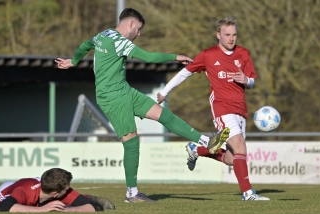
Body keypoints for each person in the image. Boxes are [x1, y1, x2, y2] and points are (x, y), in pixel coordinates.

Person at [55, 8, 230, 203]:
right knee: (131, 143)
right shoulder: (120, 41)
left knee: (165, 116)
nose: (138, 34)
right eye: (138, 30)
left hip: (125, 91)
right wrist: (175, 57)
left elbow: (85, 45)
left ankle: (207, 142)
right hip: (112, 98)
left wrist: (74, 61)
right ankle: (131, 193)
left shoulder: (103, 34)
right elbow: (148, 57)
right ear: (130, 24)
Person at [157, 16, 269, 201]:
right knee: (240, 145)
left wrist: (246, 81)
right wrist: (164, 92)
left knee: (233, 158)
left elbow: (252, 82)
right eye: (227, 35)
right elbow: (185, 73)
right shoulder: (208, 55)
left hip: (241, 109)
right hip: (222, 109)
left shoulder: (244, 53)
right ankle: (248, 193)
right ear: (218, 35)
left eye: (234, 35)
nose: (231, 38)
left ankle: (197, 150)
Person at [0, 168, 115, 212]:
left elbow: (97, 207)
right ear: (55, 194)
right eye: (66, 189)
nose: (69, 190)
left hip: (31, 194)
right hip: (4, 195)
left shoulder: (57, 187)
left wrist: (70, 210)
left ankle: (86, 196)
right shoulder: (26, 191)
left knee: (77, 201)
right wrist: (43, 210)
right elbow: (3, 207)